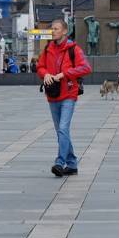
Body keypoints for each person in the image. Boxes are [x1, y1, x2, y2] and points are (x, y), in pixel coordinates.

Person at [38, 18, 92, 177]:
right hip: (53, 95)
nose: (53, 31)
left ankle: (60, 162)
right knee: (61, 131)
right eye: (52, 28)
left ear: (64, 31)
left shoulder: (73, 49)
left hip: (68, 94)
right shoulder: (48, 48)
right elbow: (40, 66)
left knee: (62, 129)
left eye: (56, 28)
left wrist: (65, 74)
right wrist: (45, 73)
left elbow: (86, 68)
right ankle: (73, 164)